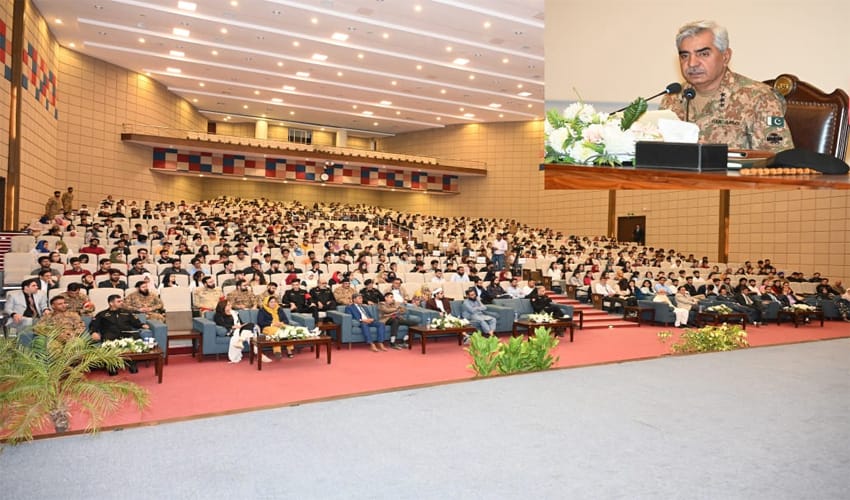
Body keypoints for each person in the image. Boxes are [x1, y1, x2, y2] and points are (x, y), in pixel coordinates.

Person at [659, 20, 793, 152]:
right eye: (684, 56)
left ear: (725, 57)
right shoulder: (672, 98)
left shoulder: (759, 98)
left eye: (703, 54)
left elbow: (777, 159)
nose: (692, 63)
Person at [89, 295, 151, 375]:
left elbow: (135, 322)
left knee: (136, 338)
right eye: (119, 301)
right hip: (111, 335)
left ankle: (132, 363)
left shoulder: (127, 312)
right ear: (111, 303)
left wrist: (142, 325)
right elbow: (93, 325)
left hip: (126, 333)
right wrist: (93, 332)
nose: (121, 303)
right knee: (107, 341)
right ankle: (112, 365)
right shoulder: (102, 314)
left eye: (121, 301)